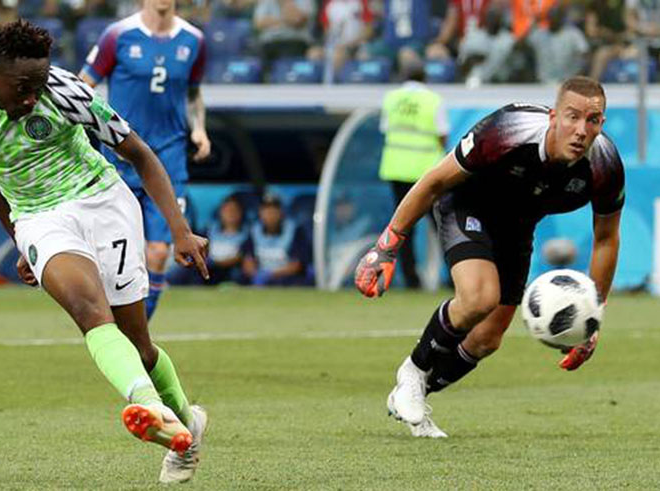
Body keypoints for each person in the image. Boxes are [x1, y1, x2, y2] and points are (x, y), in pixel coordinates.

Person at [0, 20, 210, 483]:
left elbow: (139, 154)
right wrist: (19, 233)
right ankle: (150, 407)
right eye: (22, 88)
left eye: (38, 87)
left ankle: (185, 423)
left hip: (102, 201)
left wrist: (180, 232)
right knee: (87, 310)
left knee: (138, 345)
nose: (32, 99)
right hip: (41, 217)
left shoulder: (66, 91)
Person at [355, 76, 624, 438]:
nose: (580, 130)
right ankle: (412, 372)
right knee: (480, 298)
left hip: (517, 228)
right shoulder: (508, 129)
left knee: (486, 339)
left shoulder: (605, 165)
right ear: (553, 116)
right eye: (572, 117)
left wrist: (593, 319)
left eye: (591, 121)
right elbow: (434, 181)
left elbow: (606, 239)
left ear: (601, 124)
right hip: (466, 204)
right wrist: (387, 245)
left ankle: (416, 391)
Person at [80, 0, 210, 325]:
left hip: (169, 157)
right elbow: (84, 86)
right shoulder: (118, 35)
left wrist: (199, 130)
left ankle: (138, 333)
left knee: (158, 251)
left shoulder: (194, 40)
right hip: (120, 158)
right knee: (115, 254)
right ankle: (114, 322)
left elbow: (193, 92)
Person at [378, 58, 448, 289]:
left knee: (403, 226)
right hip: (425, 172)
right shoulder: (433, 100)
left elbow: (386, 129)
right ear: (424, 78)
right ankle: (454, 278)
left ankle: (411, 280)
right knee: (441, 226)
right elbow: (442, 134)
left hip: (396, 169)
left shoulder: (391, 98)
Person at [169, 194, 249, 285]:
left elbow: (243, 256)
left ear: (241, 212)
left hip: (231, 269)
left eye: (233, 210)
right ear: (220, 212)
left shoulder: (247, 233)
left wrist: (221, 262)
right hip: (210, 268)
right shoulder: (210, 230)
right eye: (227, 210)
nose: (230, 214)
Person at [242, 193, 311, 287]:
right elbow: (248, 260)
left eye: (274, 210)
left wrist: (270, 275)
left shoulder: (295, 231)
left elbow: (297, 265)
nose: (270, 214)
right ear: (260, 213)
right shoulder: (254, 231)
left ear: (281, 212)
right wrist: (255, 274)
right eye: (266, 210)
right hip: (261, 281)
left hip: (287, 280)